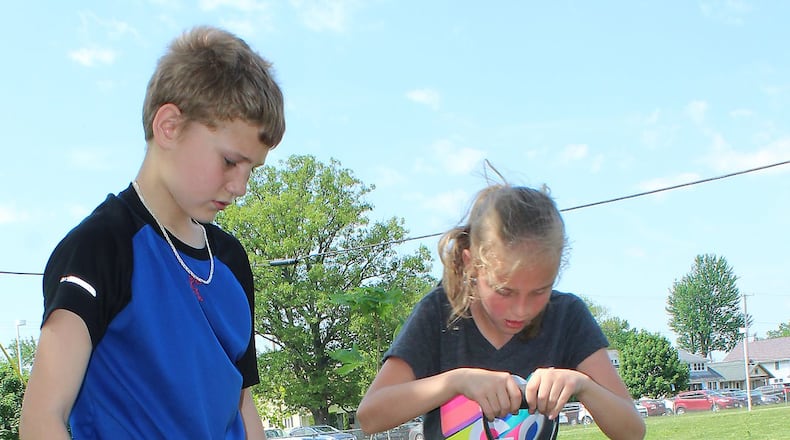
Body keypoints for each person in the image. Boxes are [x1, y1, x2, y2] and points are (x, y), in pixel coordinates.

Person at [20, 25, 285, 439]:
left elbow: (240, 400)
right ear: (169, 126)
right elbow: (41, 420)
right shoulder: (99, 247)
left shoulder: (231, 261)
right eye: (231, 161)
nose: (240, 186)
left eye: (253, 169)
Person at [356, 183, 646, 440]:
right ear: (471, 264)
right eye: (504, 291)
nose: (521, 310)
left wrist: (582, 386)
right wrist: (457, 381)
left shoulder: (567, 317)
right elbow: (370, 416)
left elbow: (632, 431)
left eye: (539, 291)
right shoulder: (439, 314)